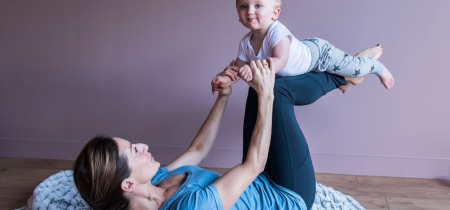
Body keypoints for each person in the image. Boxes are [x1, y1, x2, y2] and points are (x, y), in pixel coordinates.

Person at [74, 58, 314, 210]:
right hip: (287, 195)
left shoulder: (152, 182)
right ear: (127, 183)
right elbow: (253, 166)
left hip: (259, 180)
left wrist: (224, 96)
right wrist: (267, 94)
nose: (143, 145)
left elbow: (197, 150)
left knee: (256, 87)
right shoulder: (189, 207)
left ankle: (343, 74)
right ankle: (346, 75)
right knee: (277, 93)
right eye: (134, 151)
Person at [211, 0, 394, 94]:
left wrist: (251, 68)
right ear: (238, 14)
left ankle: (376, 66)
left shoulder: (277, 31)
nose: (250, 11)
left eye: (258, 5)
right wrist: (225, 80)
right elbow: (237, 68)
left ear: (275, 13)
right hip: (303, 58)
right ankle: (346, 81)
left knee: (356, 68)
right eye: (243, 6)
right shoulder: (245, 42)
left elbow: (280, 62)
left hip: (319, 54)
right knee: (347, 77)